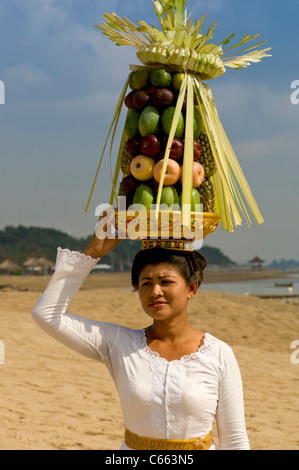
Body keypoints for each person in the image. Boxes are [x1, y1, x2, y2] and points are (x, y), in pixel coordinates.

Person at [31, 213, 250, 450]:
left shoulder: (218, 353)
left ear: (192, 288)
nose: (155, 291)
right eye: (146, 283)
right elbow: (47, 314)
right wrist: (93, 251)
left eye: (165, 281)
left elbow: (235, 440)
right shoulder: (119, 343)